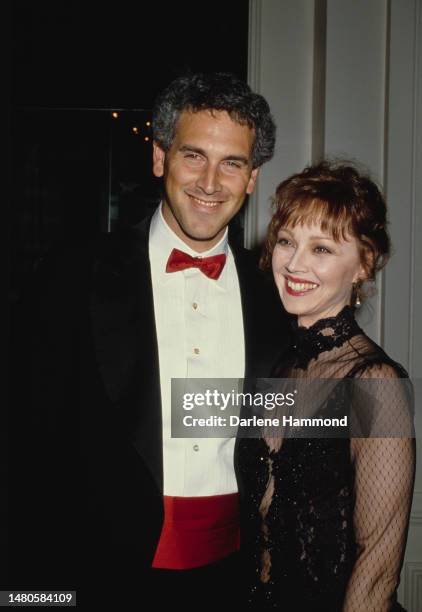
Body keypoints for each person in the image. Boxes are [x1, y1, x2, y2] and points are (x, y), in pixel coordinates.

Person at [10, 73, 290, 609]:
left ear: (253, 177)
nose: (211, 182)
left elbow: (307, 421)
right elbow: (28, 438)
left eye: (232, 162)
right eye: (193, 156)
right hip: (98, 572)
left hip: (236, 580)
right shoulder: (72, 274)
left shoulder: (277, 295)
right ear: (160, 157)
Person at [236, 161, 416, 611]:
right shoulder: (278, 367)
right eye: (286, 241)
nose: (294, 264)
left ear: (363, 264)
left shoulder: (375, 383)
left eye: (321, 249)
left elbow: (376, 571)